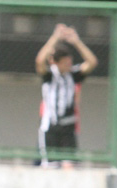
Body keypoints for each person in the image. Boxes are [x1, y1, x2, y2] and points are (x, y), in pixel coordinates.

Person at [35, 24, 98, 168]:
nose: (68, 65)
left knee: (69, 165)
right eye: (65, 63)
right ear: (56, 63)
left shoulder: (73, 75)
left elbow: (92, 62)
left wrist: (76, 41)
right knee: (50, 166)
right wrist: (55, 38)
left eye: (69, 62)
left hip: (68, 126)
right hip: (50, 126)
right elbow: (39, 61)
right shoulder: (49, 75)